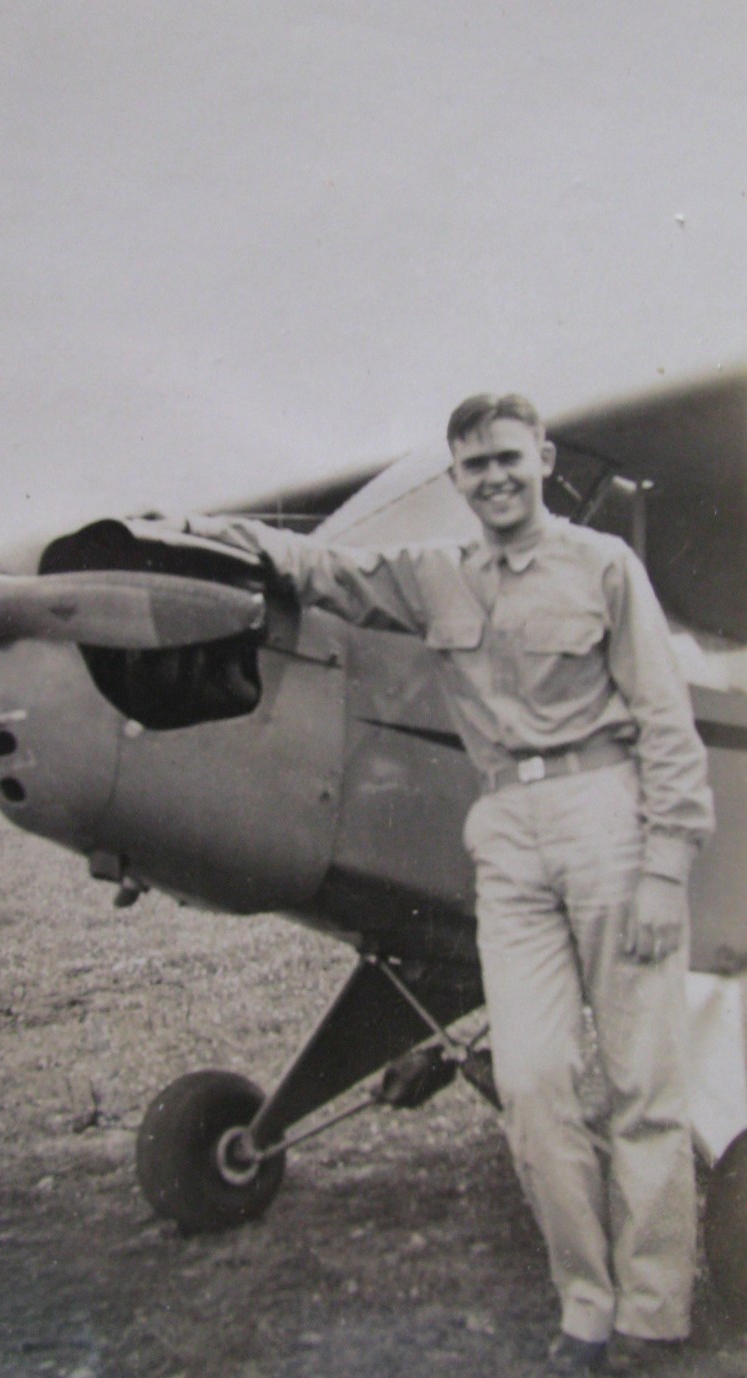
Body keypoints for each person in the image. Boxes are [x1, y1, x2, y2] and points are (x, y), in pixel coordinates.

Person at [177, 393, 714, 1374]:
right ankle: (584, 1304)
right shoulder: (435, 579)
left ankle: (652, 1313)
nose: (496, 478)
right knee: (533, 1082)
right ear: (457, 478)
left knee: (644, 1085)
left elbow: (668, 728)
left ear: (543, 457)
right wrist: (203, 537)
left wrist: (667, 867)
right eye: (474, 467)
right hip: (504, 831)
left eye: (511, 458)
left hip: (609, 815)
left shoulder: (605, 568)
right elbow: (327, 568)